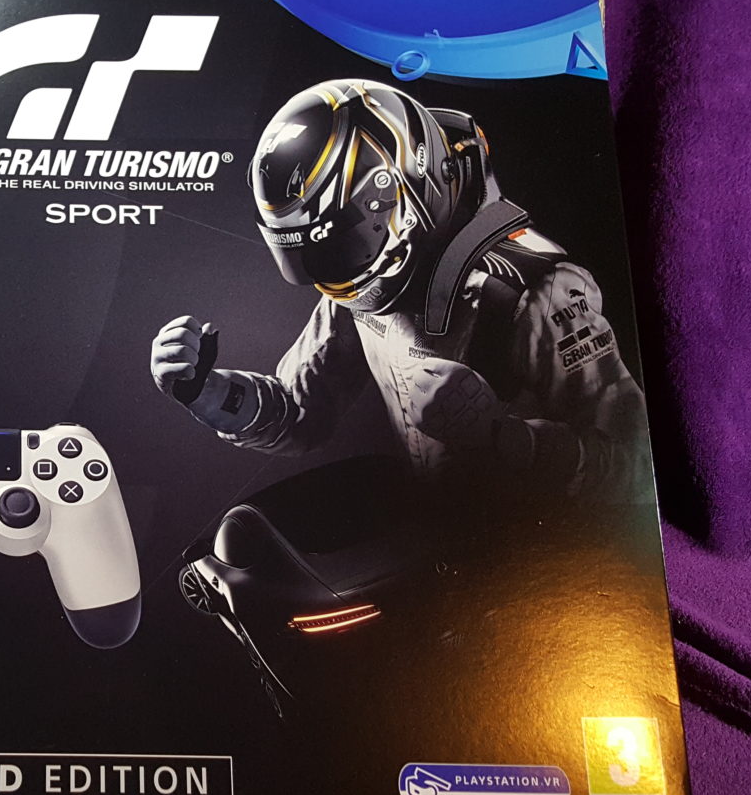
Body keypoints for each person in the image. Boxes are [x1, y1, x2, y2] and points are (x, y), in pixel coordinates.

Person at [150, 79, 649, 502]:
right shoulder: (359, 280)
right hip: (440, 547)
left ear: (399, 196)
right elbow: (302, 412)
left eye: (339, 247)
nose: (331, 275)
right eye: (316, 255)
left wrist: (505, 436)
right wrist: (208, 394)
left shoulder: (537, 292)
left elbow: (638, 472)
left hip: (549, 563)